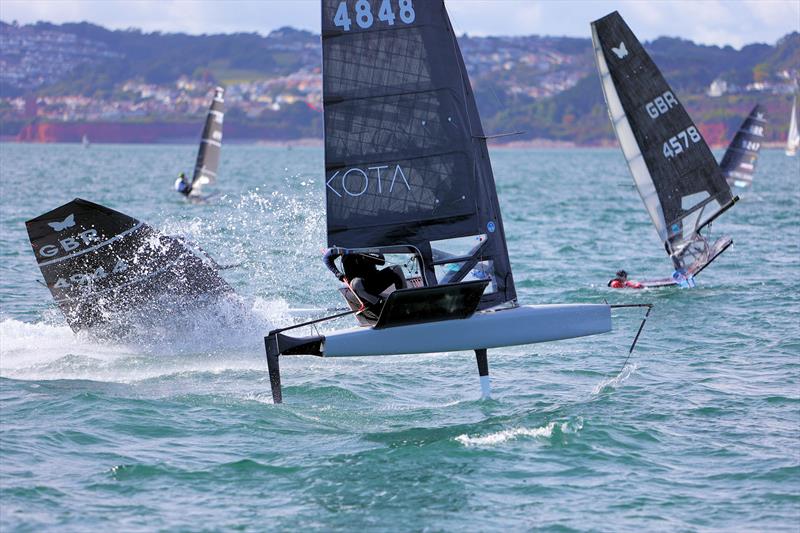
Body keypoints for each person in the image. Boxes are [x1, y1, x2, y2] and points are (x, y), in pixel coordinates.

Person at [323, 248, 406, 311]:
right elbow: (326, 258)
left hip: (375, 282)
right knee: (357, 283)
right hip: (360, 287)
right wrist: (338, 274)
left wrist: (366, 255)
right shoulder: (344, 248)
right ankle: (379, 303)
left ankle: (404, 300)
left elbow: (382, 261)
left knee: (396, 269)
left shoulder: (368, 244)